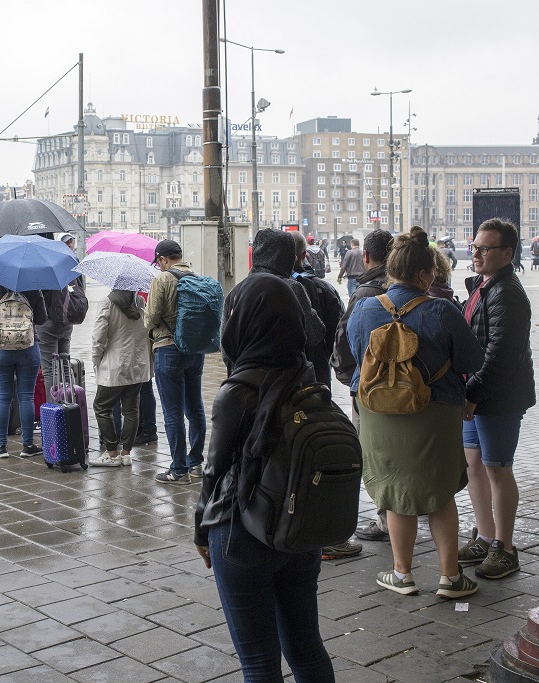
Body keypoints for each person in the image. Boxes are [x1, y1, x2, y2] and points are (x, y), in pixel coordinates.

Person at [195, 273, 335, 682]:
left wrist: (201, 533)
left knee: (258, 661)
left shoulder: (236, 392)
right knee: (308, 648)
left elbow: (213, 471)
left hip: (242, 533)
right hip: (300, 529)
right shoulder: (308, 378)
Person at [347, 227, 485, 598]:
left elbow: (354, 356)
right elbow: (473, 359)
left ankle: (402, 574)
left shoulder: (364, 309)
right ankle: (450, 578)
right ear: (426, 274)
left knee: (394, 491)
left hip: (379, 411)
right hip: (436, 409)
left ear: (391, 271)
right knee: (439, 492)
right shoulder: (441, 309)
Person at [457, 218, 536, 580]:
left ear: (506, 253)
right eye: (474, 247)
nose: (476, 253)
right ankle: (485, 535)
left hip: (499, 397)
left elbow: (501, 353)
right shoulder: (484, 286)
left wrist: (472, 394)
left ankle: (505, 547)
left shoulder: (508, 293)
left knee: (498, 469)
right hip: (477, 393)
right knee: (473, 463)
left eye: (484, 248)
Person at [331, 228, 394, 544]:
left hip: (370, 389)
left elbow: (343, 343)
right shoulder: (409, 288)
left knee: (374, 453)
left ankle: (386, 520)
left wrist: (350, 378)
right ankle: (400, 512)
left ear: (366, 257)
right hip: (411, 389)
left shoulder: (365, 295)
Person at [144, 239, 208, 485]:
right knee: (195, 408)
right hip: (195, 350)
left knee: (173, 413)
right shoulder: (196, 277)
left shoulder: (162, 279)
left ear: (162, 259)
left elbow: (150, 319)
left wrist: (145, 313)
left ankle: (178, 469)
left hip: (168, 349)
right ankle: (196, 464)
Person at [244, 229, 325, 376]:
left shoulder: (239, 290)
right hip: (285, 379)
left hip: (244, 380)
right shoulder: (293, 288)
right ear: (288, 257)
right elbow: (315, 334)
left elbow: (226, 346)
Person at [0, 281, 47, 458]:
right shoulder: (34, 285)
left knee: (3, 396)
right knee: (26, 397)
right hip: (28, 348)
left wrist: (0, 336)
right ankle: (27, 446)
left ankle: (1, 447)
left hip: (1, 350)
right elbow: (42, 318)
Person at [90, 289, 151, 467]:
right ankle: (126, 454)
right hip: (137, 364)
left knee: (101, 406)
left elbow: (98, 337)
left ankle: (111, 453)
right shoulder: (140, 303)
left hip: (114, 365)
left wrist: (96, 359)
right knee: (131, 410)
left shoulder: (107, 303)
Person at [291, 231, 344, 386]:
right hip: (317, 372)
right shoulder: (325, 289)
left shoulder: (267, 287)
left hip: (282, 378)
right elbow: (337, 333)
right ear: (304, 255)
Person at [37, 232, 86, 390]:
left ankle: (52, 410)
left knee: (49, 370)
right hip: (66, 321)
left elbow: (37, 296)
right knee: (65, 365)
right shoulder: (69, 260)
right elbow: (80, 289)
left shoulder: (40, 262)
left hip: (47, 322)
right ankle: (71, 405)